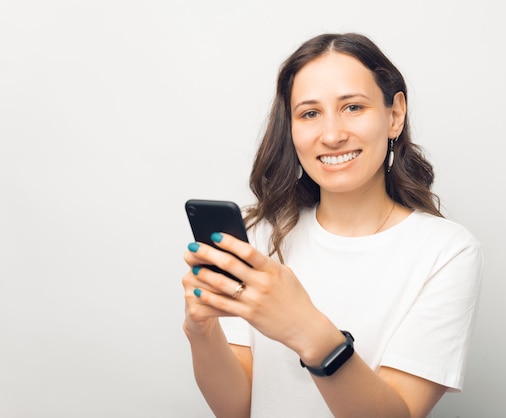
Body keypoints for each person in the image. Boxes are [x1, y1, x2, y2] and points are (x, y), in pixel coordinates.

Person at [182, 32, 482, 418]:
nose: (332, 135)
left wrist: (307, 329)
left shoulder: (447, 252)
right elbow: (237, 409)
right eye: (309, 113)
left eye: (353, 107)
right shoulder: (259, 236)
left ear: (394, 115)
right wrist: (200, 332)